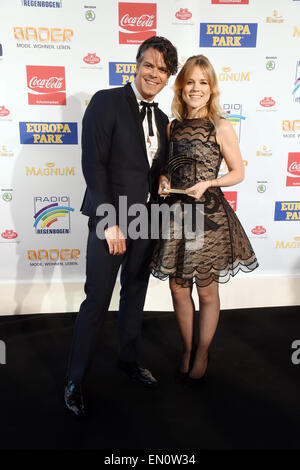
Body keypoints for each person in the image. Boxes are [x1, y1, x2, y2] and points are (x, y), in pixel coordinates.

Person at [65, 36, 178, 417]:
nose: (154, 74)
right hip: (109, 219)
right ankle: (75, 380)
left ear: (168, 78)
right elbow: (93, 166)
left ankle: (128, 360)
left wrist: (162, 179)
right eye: (150, 65)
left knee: (135, 293)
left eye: (163, 71)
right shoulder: (105, 101)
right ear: (136, 64)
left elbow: (151, 169)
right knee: (97, 299)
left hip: (146, 219)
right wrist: (110, 221)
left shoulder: (162, 120)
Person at [151, 55, 258, 384]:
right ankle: (187, 348)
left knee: (207, 291)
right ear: (181, 87)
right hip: (175, 216)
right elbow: (168, 167)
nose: (195, 88)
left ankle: (203, 351)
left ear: (211, 89)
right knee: (178, 289)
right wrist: (163, 181)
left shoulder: (220, 125)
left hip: (208, 215)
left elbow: (238, 172)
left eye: (203, 82)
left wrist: (210, 182)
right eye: (190, 82)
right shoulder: (171, 126)